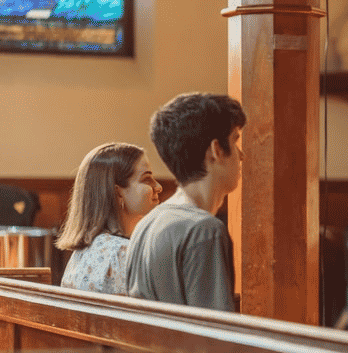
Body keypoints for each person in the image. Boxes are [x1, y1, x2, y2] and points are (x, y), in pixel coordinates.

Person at [126, 92, 246, 311]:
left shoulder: (146, 223)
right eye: (235, 140)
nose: (241, 155)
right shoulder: (204, 230)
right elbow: (212, 329)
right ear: (216, 150)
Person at [56, 142, 162, 295]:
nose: (158, 187)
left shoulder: (82, 252)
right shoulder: (122, 253)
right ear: (117, 192)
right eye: (146, 179)